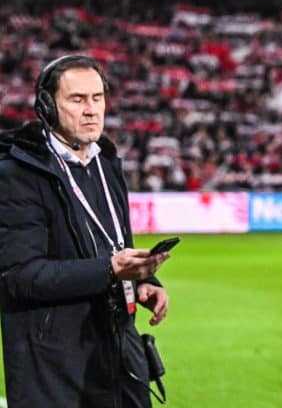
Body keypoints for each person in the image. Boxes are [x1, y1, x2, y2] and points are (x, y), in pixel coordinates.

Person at [0, 55, 170, 407]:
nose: (91, 110)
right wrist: (111, 269)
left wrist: (142, 282)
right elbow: (20, 276)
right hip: (55, 368)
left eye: (97, 98)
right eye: (77, 99)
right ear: (47, 106)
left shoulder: (107, 164)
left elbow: (116, 245)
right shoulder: (18, 175)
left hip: (117, 353)